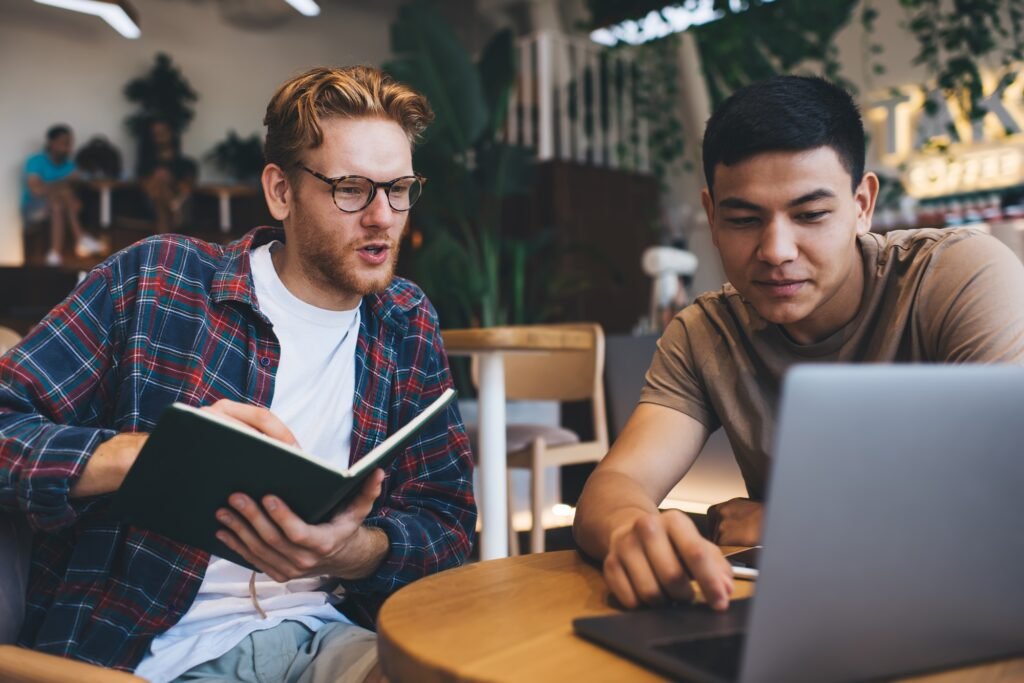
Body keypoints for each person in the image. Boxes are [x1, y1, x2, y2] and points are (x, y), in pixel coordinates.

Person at [0, 66, 476, 683]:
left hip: (329, 632)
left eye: (400, 188)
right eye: (352, 188)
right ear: (281, 192)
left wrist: (352, 551)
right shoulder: (159, 279)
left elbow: (448, 522)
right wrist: (147, 456)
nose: (383, 217)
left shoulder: (404, 321)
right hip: (153, 650)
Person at [573, 75, 1024, 612]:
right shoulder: (704, 334)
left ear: (862, 204)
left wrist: (795, 520)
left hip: (965, 608)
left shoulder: (954, 275)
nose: (776, 250)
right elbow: (617, 482)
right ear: (712, 217)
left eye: (810, 215)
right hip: (805, 613)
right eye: (743, 219)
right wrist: (630, 531)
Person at [21, 124, 104, 266]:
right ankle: (81, 237)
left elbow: (76, 203)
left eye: (69, 143)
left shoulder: (70, 165)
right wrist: (63, 183)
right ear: (51, 143)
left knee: (57, 205)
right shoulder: (35, 161)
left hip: (59, 207)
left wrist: (61, 188)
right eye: (63, 143)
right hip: (34, 209)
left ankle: (54, 254)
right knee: (62, 193)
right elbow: (36, 190)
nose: (67, 147)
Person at [137, 118, 198, 233]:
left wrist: (171, 181)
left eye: (163, 132)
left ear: (171, 133)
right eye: (155, 133)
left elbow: (187, 189)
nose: (160, 136)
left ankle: (173, 208)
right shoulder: (146, 165)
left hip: (182, 203)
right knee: (160, 200)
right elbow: (146, 188)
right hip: (154, 206)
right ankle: (173, 208)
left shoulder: (186, 164)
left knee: (161, 200)